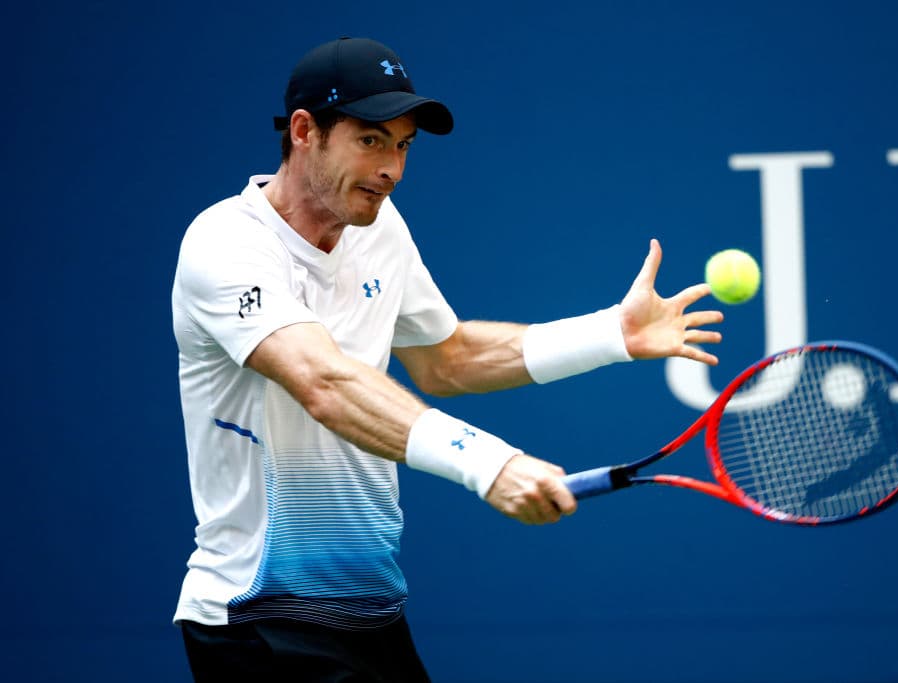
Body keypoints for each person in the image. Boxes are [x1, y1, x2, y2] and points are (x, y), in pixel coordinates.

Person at [171, 36, 724, 682]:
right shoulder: (226, 244)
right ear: (304, 131)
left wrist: (609, 334)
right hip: (257, 616)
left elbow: (449, 359)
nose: (392, 168)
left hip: (370, 609)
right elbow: (324, 381)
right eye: (371, 140)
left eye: (403, 145)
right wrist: (490, 463)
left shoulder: (379, 229)